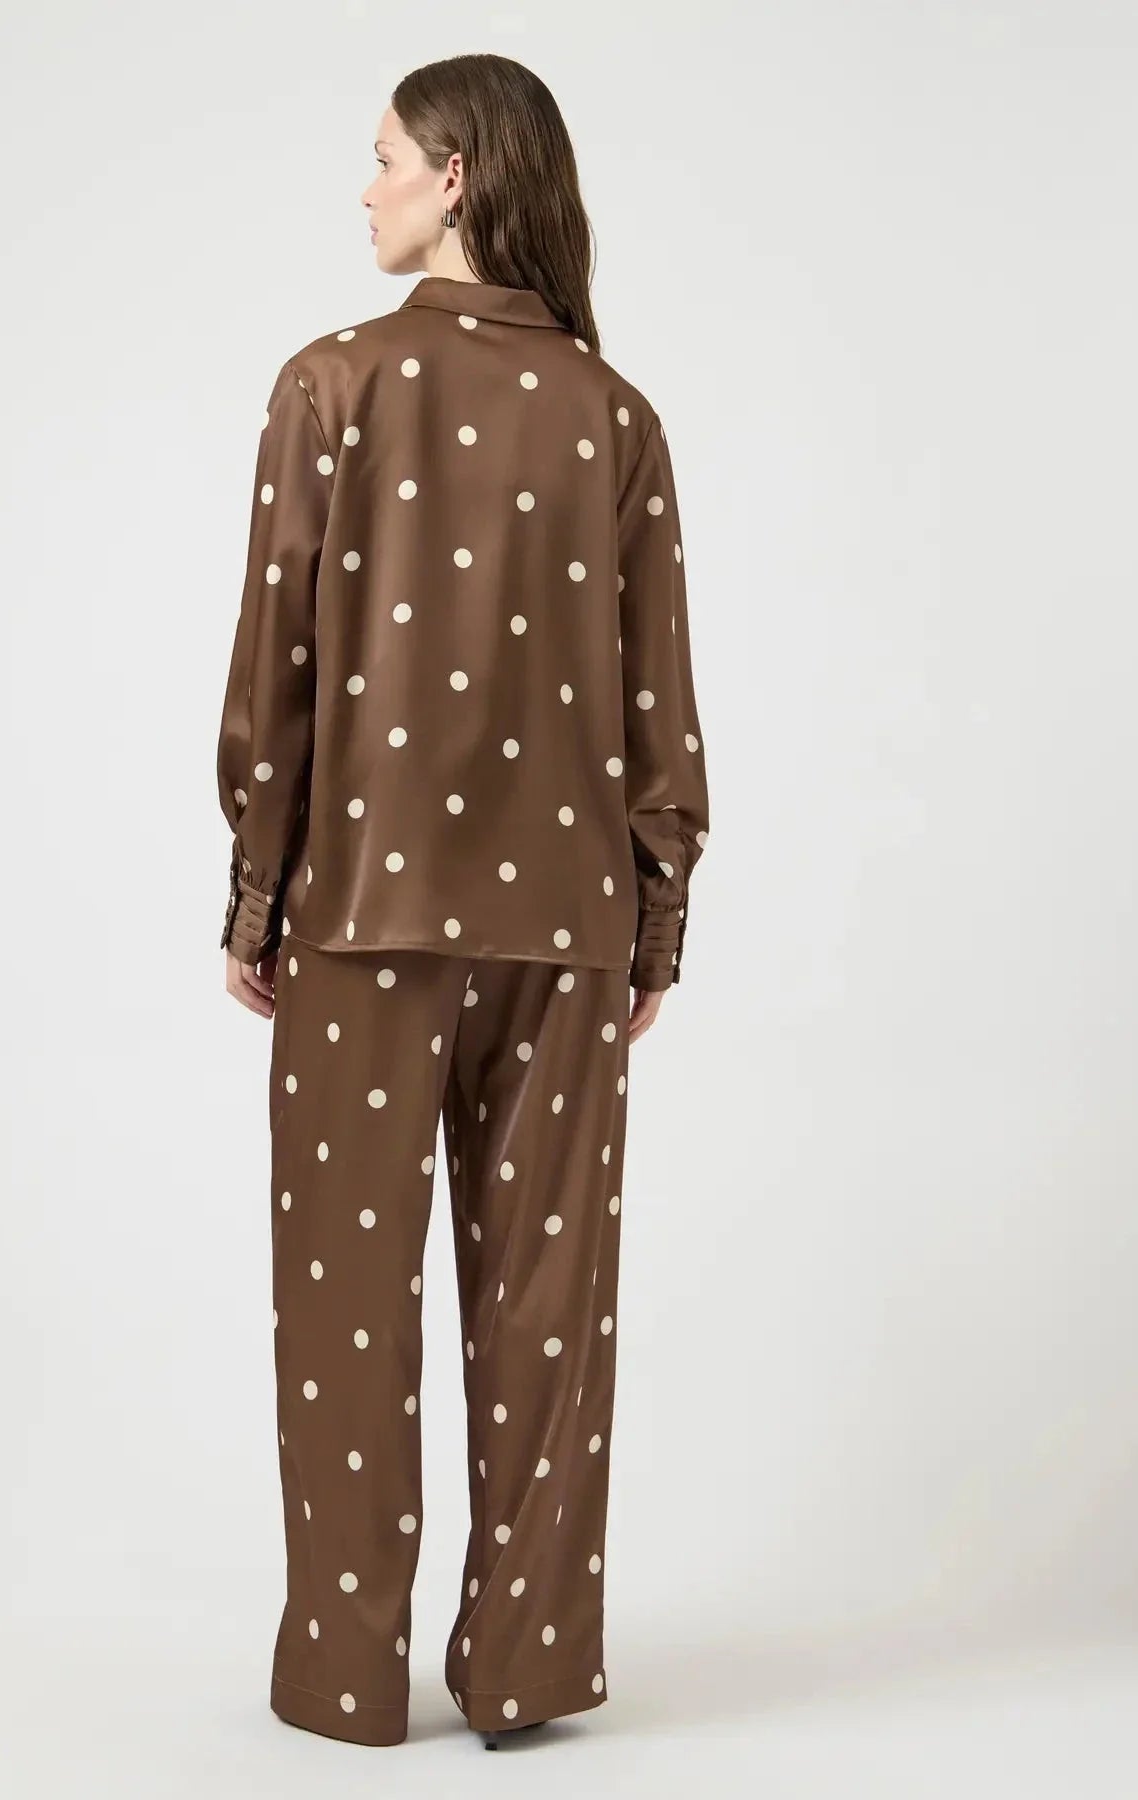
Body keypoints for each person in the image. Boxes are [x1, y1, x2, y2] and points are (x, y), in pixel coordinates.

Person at [214, 53, 710, 1750]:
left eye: (382, 159)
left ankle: (345, 1677)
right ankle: (526, 1673)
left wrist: (257, 893)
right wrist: (653, 916)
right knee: (548, 1311)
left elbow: (274, 675)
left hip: (363, 915)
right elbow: (660, 703)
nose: (361, 189)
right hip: (564, 929)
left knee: (342, 1309)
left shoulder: (330, 385)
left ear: (459, 177)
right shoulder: (615, 418)